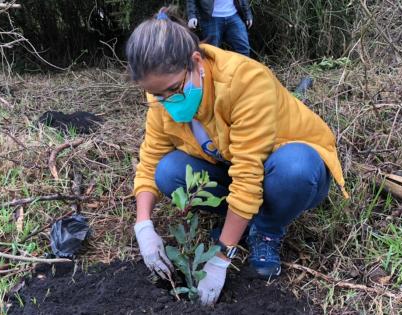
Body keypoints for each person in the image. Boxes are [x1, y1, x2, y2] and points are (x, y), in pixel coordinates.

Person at [126, 7, 348, 306]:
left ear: (196, 62)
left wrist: (221, 257)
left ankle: (266, 230)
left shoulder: (244, 81)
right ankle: (245, 222)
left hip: (286, 166)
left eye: (173, 90)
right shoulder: (161, 98)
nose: (167, 102)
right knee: (167, 172)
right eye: (157, 96)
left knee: (296, 169)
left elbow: (247, 173)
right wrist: (143, 226)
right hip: (231, 167)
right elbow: (150, 159)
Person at [186, 0, 252, 56]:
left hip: (233, 15)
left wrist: (247, 13)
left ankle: (241, 70)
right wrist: (192, 15)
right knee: (212, 53)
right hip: (210, 17)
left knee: (244, 50)